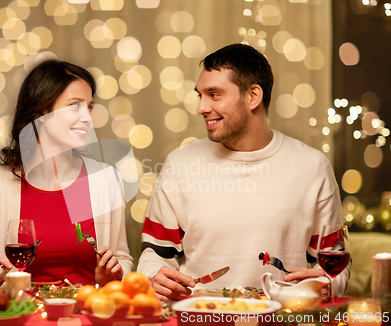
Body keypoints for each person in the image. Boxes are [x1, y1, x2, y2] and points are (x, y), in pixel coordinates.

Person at [137, 43, 350, 301]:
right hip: (202, 316)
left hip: (282, 318)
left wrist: (327, 283)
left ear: (253, 96)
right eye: (200, 95)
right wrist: (154, 277)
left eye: (214, 95)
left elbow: (335, 264)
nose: (201, 107)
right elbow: (155, 254)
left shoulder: (312, 167)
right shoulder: (179, 164)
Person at [0, 59, 133, 286]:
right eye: (75, 105)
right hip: (20, 317)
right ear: (42, 110)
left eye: (89, 107)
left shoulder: (106, 181)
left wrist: (114, 274)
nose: (88, 118)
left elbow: (123, 259)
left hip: (87, 316)